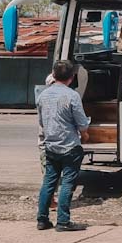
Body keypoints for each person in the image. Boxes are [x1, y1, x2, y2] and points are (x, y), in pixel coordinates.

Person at [35, 60, 91, 232]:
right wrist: (85, 136)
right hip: (69, 146)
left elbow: (42, 122)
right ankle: (63, 222)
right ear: (72, 77)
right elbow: (82, 123)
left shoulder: (42, 96)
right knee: (67, 184)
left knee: (49, 183)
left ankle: (42, 220)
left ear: (53, 74)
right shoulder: (72, 96)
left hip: (51, 146)